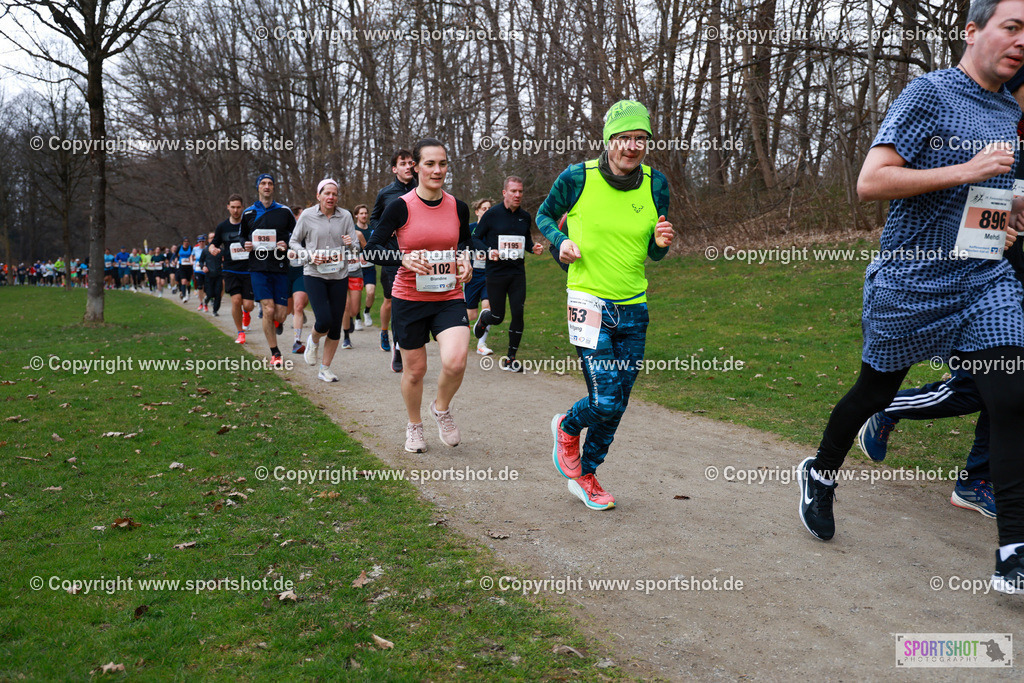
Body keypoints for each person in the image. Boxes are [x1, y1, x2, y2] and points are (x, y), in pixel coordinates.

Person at [796, 0, 1024, 595]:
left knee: (1013, 395)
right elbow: (871, 182)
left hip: (982, 280)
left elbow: (984, 208)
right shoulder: (930, 94)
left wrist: (1011, 214)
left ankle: (1013, 553)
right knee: (875, 390)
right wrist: (967, 170)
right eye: (1013, 26)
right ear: (972, 31)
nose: (1022, 41)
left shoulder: (1007, 111)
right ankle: (820, 472)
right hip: (910, 280)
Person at [538, 100, 674, 510]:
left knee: (620, 400)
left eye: (641, 139)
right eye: (624, 137)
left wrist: (662, 242)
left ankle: (587, 474)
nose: (632, 146)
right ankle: (568, 426)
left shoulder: (657, 184)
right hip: (587, 301)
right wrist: (560, 242)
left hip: (634, 306)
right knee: (606, 400)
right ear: (608, 140)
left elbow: (655, 251)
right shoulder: (578, 177)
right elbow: (544, 216)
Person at [365, 138, 473, 452]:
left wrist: (466, 260)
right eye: (430, 163)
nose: (437, 170)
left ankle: (441, 409)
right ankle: (414, 425)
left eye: (442, 163)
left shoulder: (457, 206)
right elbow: (373, 249)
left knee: (456, 361)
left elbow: (465, 243)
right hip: (409, 299)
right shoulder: (400, 206)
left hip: (449, 295)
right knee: (415, 371)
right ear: (416, 167)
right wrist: (401, 258)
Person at [289, 179, 360, 382]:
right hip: (314, 274)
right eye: (327, 193)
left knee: (336, 325)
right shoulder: (308, 216)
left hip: (339, 275)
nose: (331, 197)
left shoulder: (345, 215)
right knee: (324, 320)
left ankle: (325, 368)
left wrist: (351, 243)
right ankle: (313, 339)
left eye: (334, 194)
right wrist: (308, 256)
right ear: (318, 195)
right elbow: (293, 242)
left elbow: (355, 247)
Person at [473, 177, 545, 371]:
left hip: (517, 273)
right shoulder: (492, 214)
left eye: (520, 191)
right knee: (497, 316)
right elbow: (476, 238)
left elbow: (525, 242)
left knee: (518, 313)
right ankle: (484, 319)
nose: (518, 195)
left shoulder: (525, 216)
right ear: (505, 193)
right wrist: (489, 251)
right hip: (496, 273)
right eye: (513, 191)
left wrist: (534, 248)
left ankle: (511, 359)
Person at [241, 173, 296, 367]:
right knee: (268, 308)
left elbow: (296, 235)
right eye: (263, 183)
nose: (266, 186)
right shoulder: (248, 213)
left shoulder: (284, 211)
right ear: (258, 187)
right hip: (258, 267)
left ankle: (276, 322)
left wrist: (286, 243)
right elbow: (241, 237)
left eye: (270, 183)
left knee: (280, 314)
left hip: (280, 267)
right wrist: (246, 244)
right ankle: (275, 352)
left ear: (273, 188)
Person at [369, 148, 417, 369]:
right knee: (395, 301)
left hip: (419, 255)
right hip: (393, 256)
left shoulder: (422, 190)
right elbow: (374, 219)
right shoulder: (386, 193)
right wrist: (382, 230)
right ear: (394, 168)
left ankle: (415, 344)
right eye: (404, 163)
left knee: (418, 301)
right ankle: (397, 349)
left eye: (411, 162)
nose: (409, 166)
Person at [211, 194, 256, 343]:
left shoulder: (249, 224)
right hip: (231, 270)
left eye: (238, 207)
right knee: (236, 300)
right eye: (233, 207)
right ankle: (240, 332)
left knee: (248, 305)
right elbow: (214, 243)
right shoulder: (222, 227)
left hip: (249, 269)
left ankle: (246, 313)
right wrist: (213, 249)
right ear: (228, 207)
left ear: (242, 207)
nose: (236, 210)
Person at [465, 198, 493, 354]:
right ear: (477, 211)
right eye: (484, 208)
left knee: (487, 308)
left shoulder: (494, 231)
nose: (487, 211)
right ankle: (458, 337)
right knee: (471, 314)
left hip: (489, 275)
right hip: (473, 276)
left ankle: (481, 344)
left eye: (489, 208)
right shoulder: (470, 229)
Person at [287, 206, 309, 354]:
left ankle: (297, 341)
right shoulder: (284, 230)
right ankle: (278, 320)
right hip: (285, 272)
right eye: (301, 216)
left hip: (302, 270)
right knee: (284, 311)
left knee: (299, 306)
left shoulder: (309, 230)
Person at [353, 204, 377, 328]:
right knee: (356, 296)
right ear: (356, 215)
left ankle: (366, 312)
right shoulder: (352, 230)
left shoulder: (372, 228)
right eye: (361, 213)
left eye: (365, 213)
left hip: (369, 267)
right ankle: (357, 318)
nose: (364, 215)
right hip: (355, 268)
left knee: (371, 292)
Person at [199, 231, 223, 316]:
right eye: (211, 238)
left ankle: (215, 311)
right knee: (210, 293)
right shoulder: (205, 250)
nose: (213, 239)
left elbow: (226, 260)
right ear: (208, 240)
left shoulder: (221, 250)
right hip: (209, 275)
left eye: (214, 237)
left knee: (218, 294)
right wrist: (203, 267)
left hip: (219, 275)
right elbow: (201, 261)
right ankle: (206, 299)